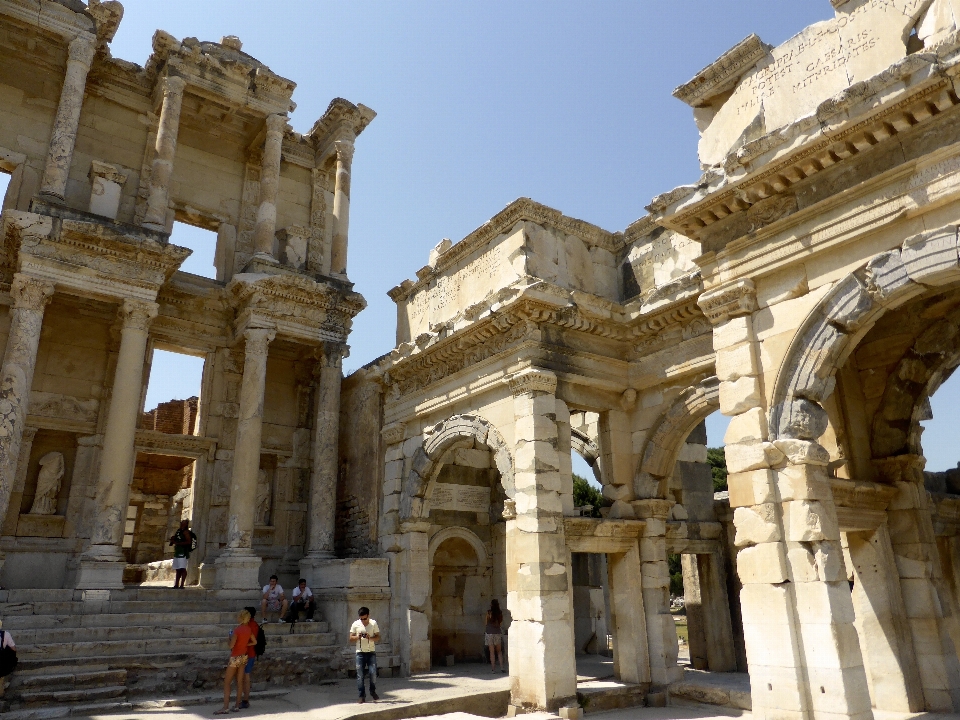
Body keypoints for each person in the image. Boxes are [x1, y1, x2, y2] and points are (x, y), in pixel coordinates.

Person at [215, 609, 254, 714]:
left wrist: (229, 638)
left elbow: (231, 646)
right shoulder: (248, 629)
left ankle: (225, 707)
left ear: (241, 618)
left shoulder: (237, 630)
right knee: (239, 682)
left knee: (227, 682)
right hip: (244, 656)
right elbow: (254, 641)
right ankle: (237, 705)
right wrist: (246, 645)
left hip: (235, 656)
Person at [349, 606, 380, 704]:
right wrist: (357, 637)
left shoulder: (373, 623)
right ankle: (361, 695)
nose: (363, 621)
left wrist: (370, 638)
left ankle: (372, 690)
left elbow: (378, 637)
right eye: (361, 619)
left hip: (371, 652)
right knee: (360, 675)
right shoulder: (355, 624)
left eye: (365, 619)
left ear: (368, 616)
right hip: (360, 652)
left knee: (373, 673)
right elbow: (350, 638)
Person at [240, 606, 259, 710]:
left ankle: (245, 699)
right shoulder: (255, 624)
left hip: (247, 653)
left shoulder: (249, 626)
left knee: (245, 677)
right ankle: (244, 699)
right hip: (251, 653)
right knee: (245, 677)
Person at [168, 519, 194, 589]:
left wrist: (178, 543)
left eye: (183, 523)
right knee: (177, 569)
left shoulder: (186, 532)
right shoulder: (179, 531)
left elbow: (188, 542)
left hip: (183, 552)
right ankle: (176, 584)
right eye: (181, 523)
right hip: (177, 552)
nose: (182, 524)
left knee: (182, 568)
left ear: (186, 524)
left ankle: (182, 584)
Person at [485, 599, 505, 673]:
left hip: (489, 632)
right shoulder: (500, 613)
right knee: (499, 651)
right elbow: (500, 622)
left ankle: (493, 669)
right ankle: (502, 667)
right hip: (497, 632)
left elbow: (486, 622)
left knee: (492, 652)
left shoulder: (488, 612)